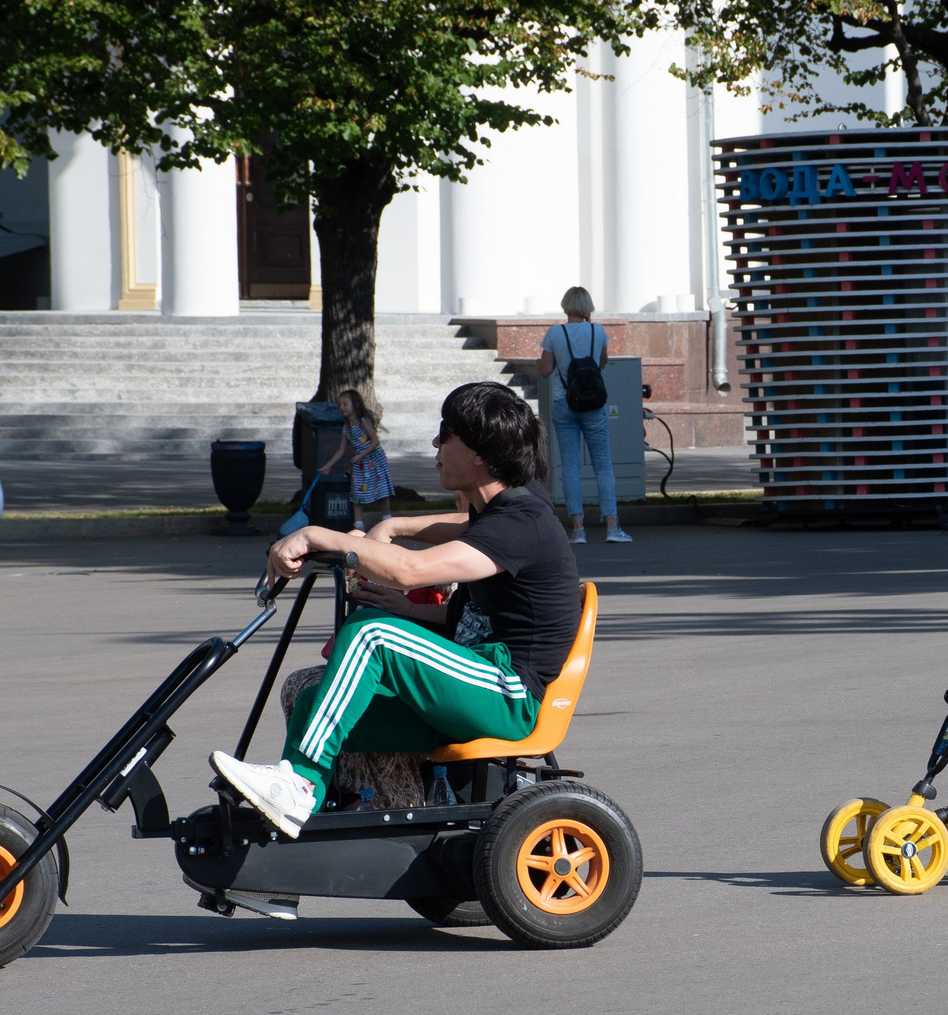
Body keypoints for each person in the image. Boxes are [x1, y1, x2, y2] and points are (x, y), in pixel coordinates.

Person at [209, 383, 582, 837]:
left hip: (507, 694)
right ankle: (302, 835)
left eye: (446, 434)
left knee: (374, 635)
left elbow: (408, 570)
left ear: (481, 452)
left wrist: (317, 536)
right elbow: (462, 526)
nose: (435, 444)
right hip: (476, 679)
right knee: (311, 700)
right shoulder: (505, 510)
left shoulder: (523, 523)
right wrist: (393, 525)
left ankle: (299, 785)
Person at [538, 286, 632, 546]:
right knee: (602, 463)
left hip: (563, 403)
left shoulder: (555, 333)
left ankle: (578, 530)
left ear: (565, 305)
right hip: (594, 404)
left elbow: (545, 370)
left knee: (569, 465)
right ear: (588, 305)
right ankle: (612, 526)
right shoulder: (598, 331)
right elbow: (601, 362)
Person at [312, 389, 394, 528]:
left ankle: (387, 518)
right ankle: (358, 524)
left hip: (373, 460)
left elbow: (375, 442)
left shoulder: (364, 422)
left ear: (355, 404)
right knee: (357, 491)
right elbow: (341, 450)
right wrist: (328, 465)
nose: (341, 407)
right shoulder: (347, 428)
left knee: (381, 490)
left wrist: (361, 455)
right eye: (340, 405)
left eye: (345, 404)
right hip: (360, 463)